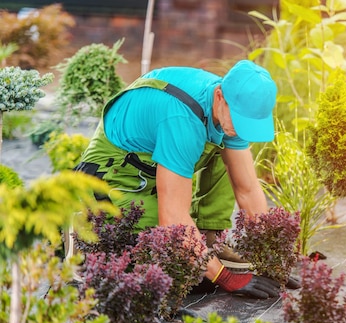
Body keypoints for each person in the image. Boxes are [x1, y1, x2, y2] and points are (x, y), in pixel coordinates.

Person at [74, 60, 282, 299]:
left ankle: (208, 238)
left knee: (227, 148)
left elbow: (247, 189)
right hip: (112, 174)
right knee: (157, 255)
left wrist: (272, 260)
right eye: (239, 120)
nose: (241, 129)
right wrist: (224, 276)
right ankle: (81, 227)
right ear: (219, 96)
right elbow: (173, 219)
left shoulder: (229, 113)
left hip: (151, 168)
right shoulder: (182, 119)